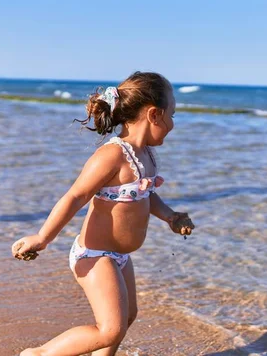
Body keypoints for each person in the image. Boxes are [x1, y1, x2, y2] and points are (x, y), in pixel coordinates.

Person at [12, 72, 195, 356]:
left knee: (126, 317)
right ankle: (37, 354)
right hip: (95, 255)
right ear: (154, 115)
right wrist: (42, 237)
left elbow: (145, 195)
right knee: (110, 328)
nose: (173, 124)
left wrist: (171, 216)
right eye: (172, 115)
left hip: (119, 257)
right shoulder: (112, 155)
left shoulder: (145, 154)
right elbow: (76, 196)